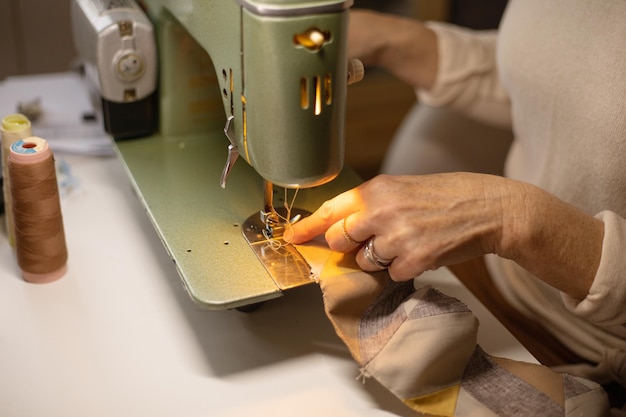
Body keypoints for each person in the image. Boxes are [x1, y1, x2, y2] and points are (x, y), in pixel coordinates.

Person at [284, 0, 626, 409]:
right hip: (502, 280)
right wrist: (399, 41)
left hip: (587, 345)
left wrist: (513, 218)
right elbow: (568, 81)